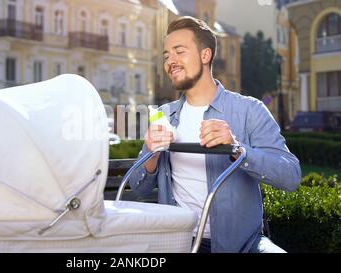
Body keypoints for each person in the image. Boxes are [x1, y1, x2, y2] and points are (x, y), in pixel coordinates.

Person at [128, 16, 301, 253]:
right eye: (167, 55)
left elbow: (290, 176)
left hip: (242, 245)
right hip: (180, 243)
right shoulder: (163, 116)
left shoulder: (249, 110)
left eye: (179, 52)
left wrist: (237, 149)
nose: (171, 61)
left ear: (205, 55)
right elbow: (139, 189)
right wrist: (151, 156)